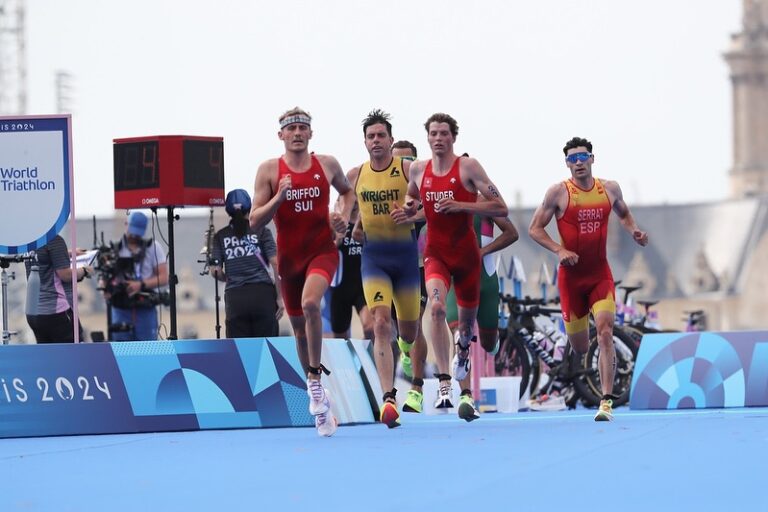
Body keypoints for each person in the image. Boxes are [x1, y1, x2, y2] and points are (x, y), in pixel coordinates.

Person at [391, 113, 509, 421]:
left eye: (444, 133)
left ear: (453, 137)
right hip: (436, 254)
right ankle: (445, 383)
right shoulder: (418, 169)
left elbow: (501, 207)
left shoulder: (468, 167)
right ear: (427, 138)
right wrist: (408, 210)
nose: (439, 138)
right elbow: (412, 198)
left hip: (468, 257)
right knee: (437, 308)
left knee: (467, 330)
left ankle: (464, 354)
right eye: (433, 133)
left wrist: (462, 206)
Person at [249, 107, 355, 437]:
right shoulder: (269, 171)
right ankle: (319, 401)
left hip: (322, 251)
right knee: (297, 330)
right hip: (290, 261)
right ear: (280, 135)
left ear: (311, 134)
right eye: (290, 128)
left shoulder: (327, 164)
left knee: (312, 305)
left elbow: (347, 191)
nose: (297, 133)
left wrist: (342, 216)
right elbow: (254, 221)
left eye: (302, 128)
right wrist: (279, 198)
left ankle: (313, 380)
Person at [528, 136, 648, 421]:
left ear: (593, 159)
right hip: (571, 280)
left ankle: (606, 401)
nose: (578, 163)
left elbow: (625, 213)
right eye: (572, 159)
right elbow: (534, 229)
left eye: (583, 157)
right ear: (567, 163)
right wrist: (559, 249)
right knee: (581, 346)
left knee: (606, 332)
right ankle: (581, 364)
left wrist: (634, 232)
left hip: (599, 275)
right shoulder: (558, 193)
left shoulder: (609, 189)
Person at [348, 110, 422, 428]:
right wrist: (349, 225)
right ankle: (388, 398)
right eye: (371, 136)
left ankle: (405, 348)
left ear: (391, 140)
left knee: (408, 331)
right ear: (365, 142)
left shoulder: (408, 169)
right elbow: (346, 208)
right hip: (374, 259)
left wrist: (412, 215)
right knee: (380, 324)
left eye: (381, 135)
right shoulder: (356, 174)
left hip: (405, 260)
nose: (376, 141)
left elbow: (428, 208)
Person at [446, 214, 518, 397]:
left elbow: (512, 233)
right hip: (457, 282)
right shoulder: (444, 200)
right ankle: (466, 397)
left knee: (488, 344)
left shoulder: (485, 201)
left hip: (485, 282)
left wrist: (483, 251)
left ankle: (493, 342)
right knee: (460, 335)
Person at [390, 140, 430, 414]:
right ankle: (404, 349)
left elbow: (436, 211)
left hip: (420, 265)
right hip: (390, 265)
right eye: (398, 161)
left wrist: (413, 216)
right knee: (399, 328)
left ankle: (416, 389)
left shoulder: (423, 187)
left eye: (409, 160)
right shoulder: (384, 188)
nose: (404, 166)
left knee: (415, 324)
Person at [211, 188, 283, 338]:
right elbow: (276, 264)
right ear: (249, 208)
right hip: (263, 296)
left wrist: (227, 278)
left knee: (240, 352)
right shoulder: (262, 231)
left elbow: (215, 270)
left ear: (228, 211)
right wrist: (280, 297)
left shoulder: (220, 236)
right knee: (267, 348)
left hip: (235, 298)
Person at [107, 211, 169, 341]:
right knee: (121, 351)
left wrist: (140, 285)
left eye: (138, 232)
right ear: (126, 225)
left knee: (148, 350)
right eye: (132, 231)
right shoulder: (115, 248)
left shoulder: (153, 247)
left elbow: (164, 277)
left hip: (145, 307)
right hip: (121, 307)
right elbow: (106, 277)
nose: (134, 235)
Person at [25, 235, 91, 342]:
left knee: (48, 355)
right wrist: (85, 270)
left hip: (33, 312)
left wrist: (68, 252)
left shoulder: (30, 239)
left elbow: (42, 256)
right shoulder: (54, 239)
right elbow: (66, 275)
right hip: (55, 311)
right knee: (73, 354)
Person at [329, 194, 374, 342]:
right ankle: (350, 363)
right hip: (341, 288)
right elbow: (325, 252)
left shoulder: (367, 221)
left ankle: (365, 362)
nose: (353, 202)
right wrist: (338, 240)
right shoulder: (336, 223)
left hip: (363, 286)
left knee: (370, 328)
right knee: (340, 339)